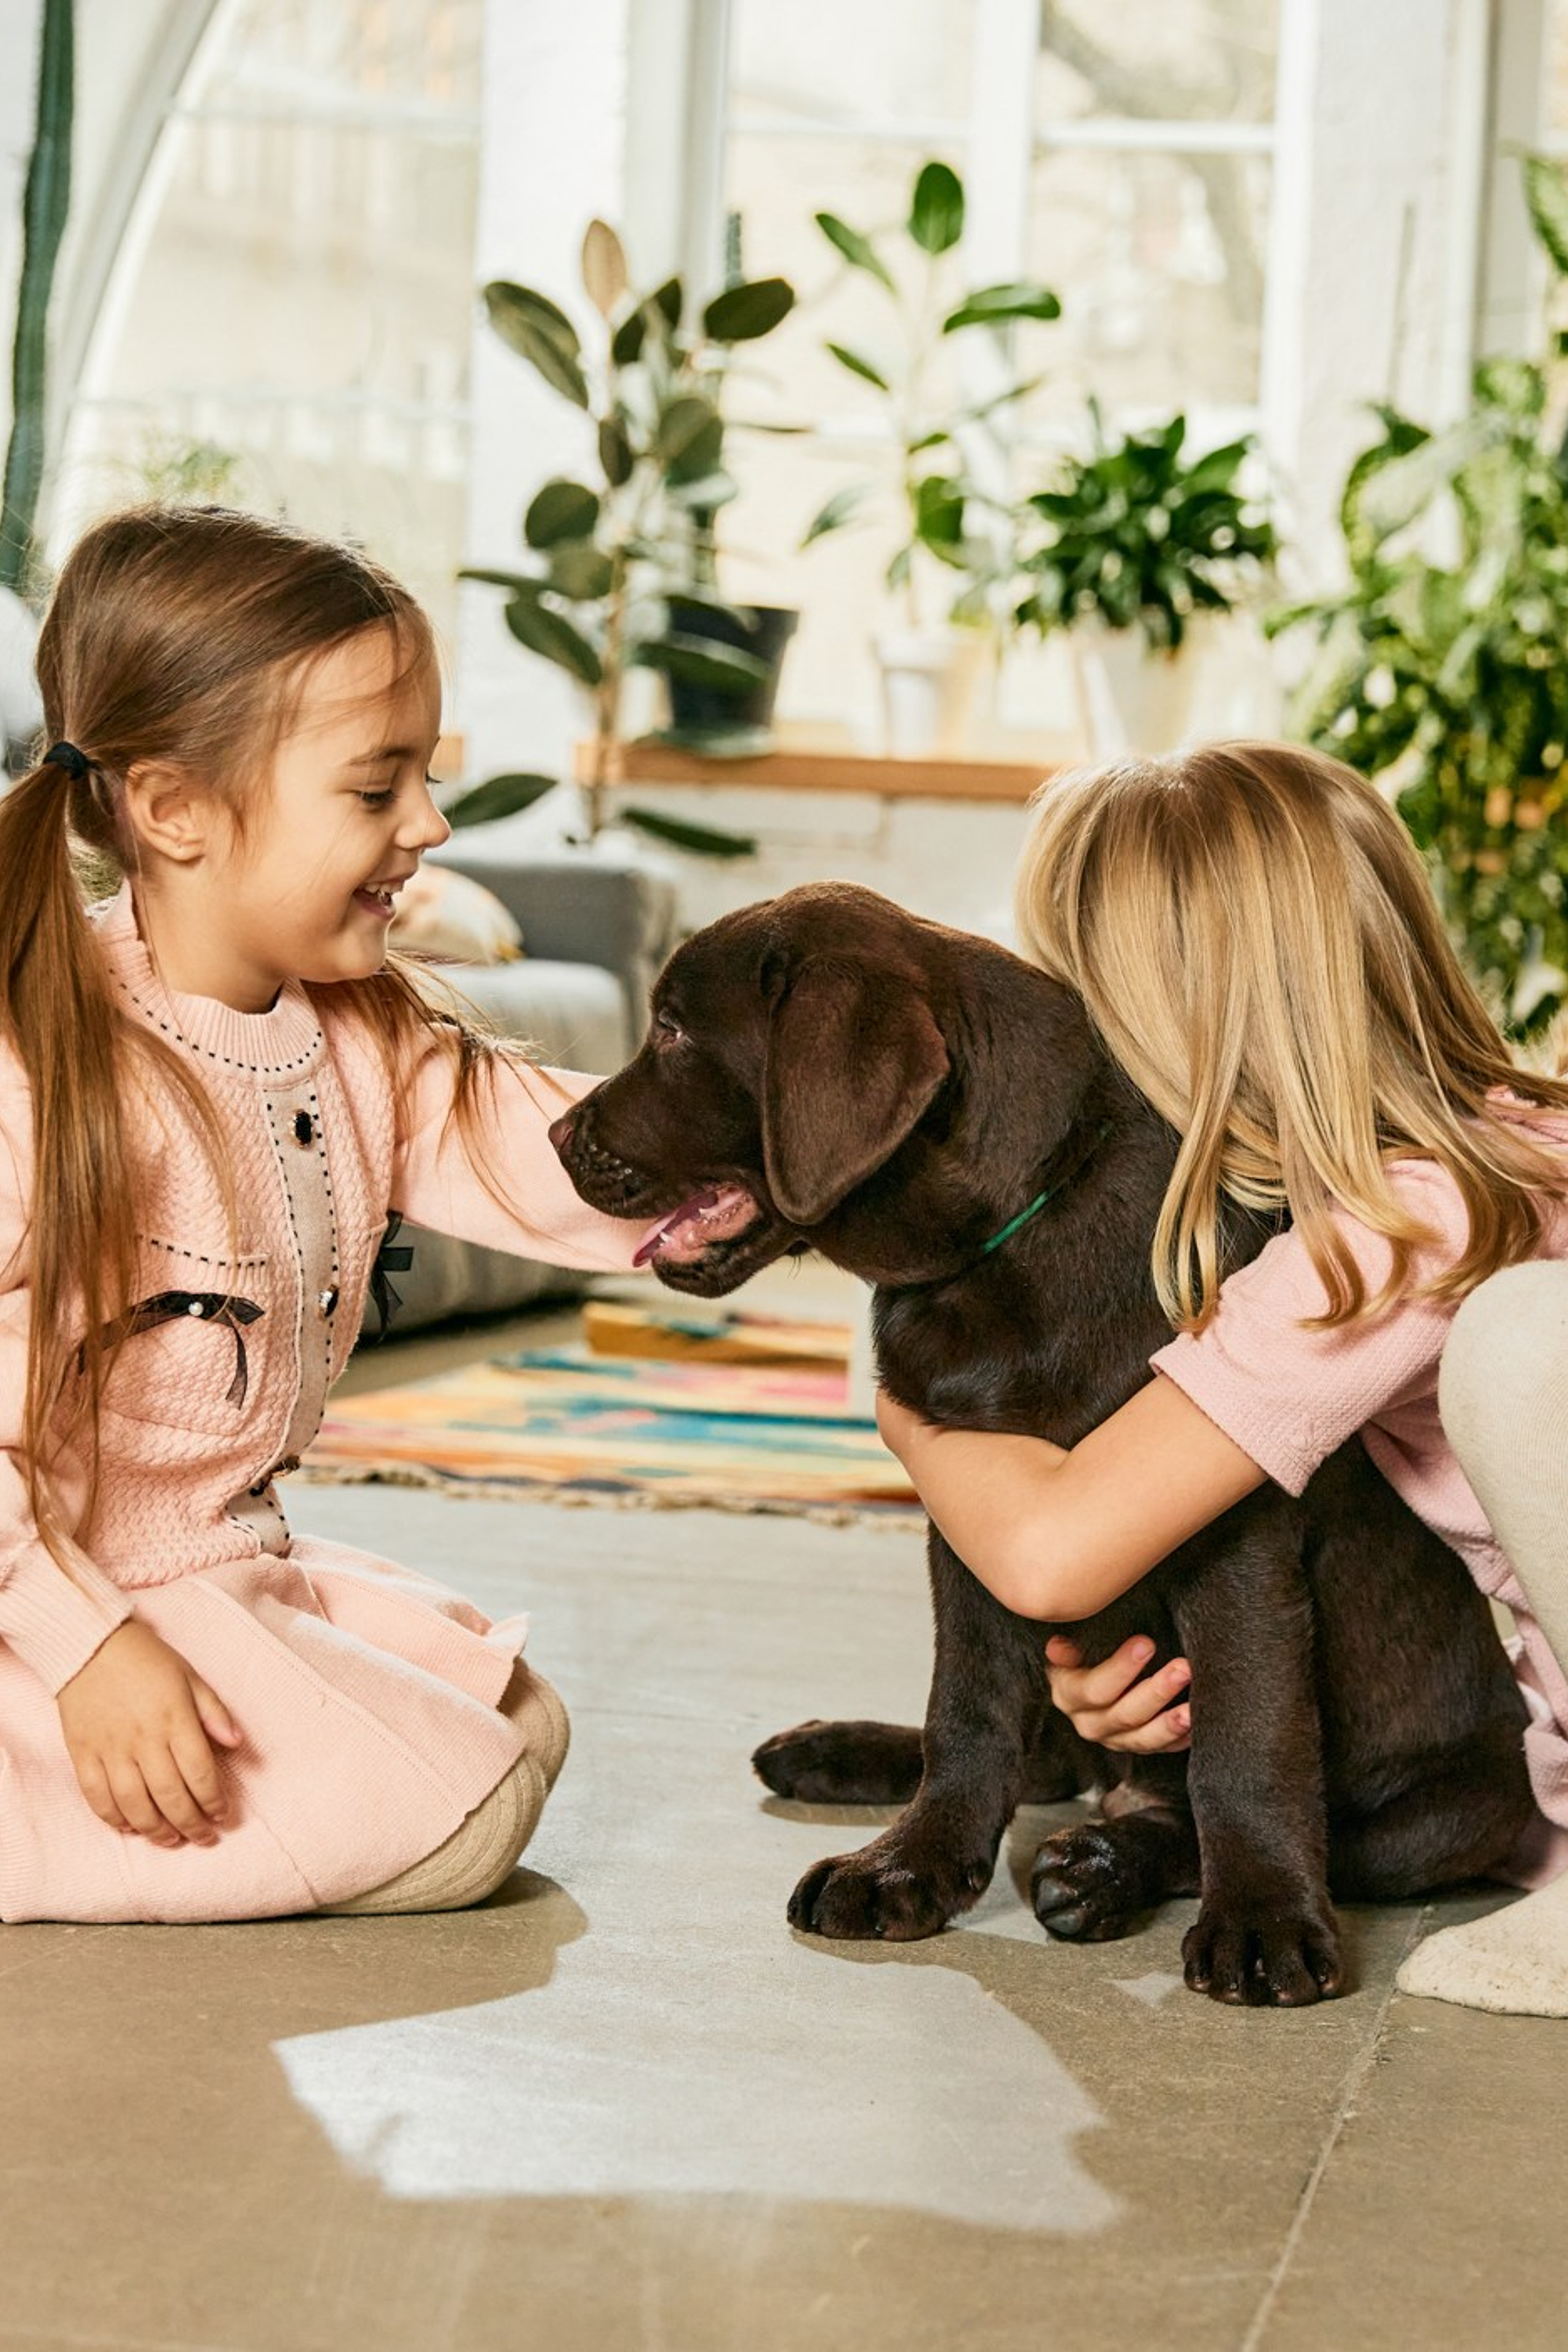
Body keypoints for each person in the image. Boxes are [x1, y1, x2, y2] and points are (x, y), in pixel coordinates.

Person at [0, 504, 653, 1924]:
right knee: (463, 1825)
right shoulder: (43, 1070)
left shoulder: (357, 1031)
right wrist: (86, 1647)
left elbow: (557, 1156)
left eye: (425, 776)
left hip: (218, 1558)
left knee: (517, 1718)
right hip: (46, 1595)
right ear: (174, 810)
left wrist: (763, 1169)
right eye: (376, 788)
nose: (429, 825)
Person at [874, 742, 1568, 2018]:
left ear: (1170, 1027)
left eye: (1075, 1000)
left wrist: (906, 1404)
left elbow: (1048, 1549)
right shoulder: (1519, 1151)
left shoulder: (1389, 1234)